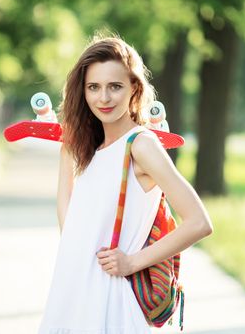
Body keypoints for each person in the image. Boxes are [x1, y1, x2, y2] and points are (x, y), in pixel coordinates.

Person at [38, 35, 213, 333]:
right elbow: (71, 230)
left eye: (115, 86)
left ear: (134, 88)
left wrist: (132, 263)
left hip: (112, 305)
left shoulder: (140, 145)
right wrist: (67, 149)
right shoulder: (92, 151)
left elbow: (199, 222)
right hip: (73, 296)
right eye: (93, 87)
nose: (103, 98)